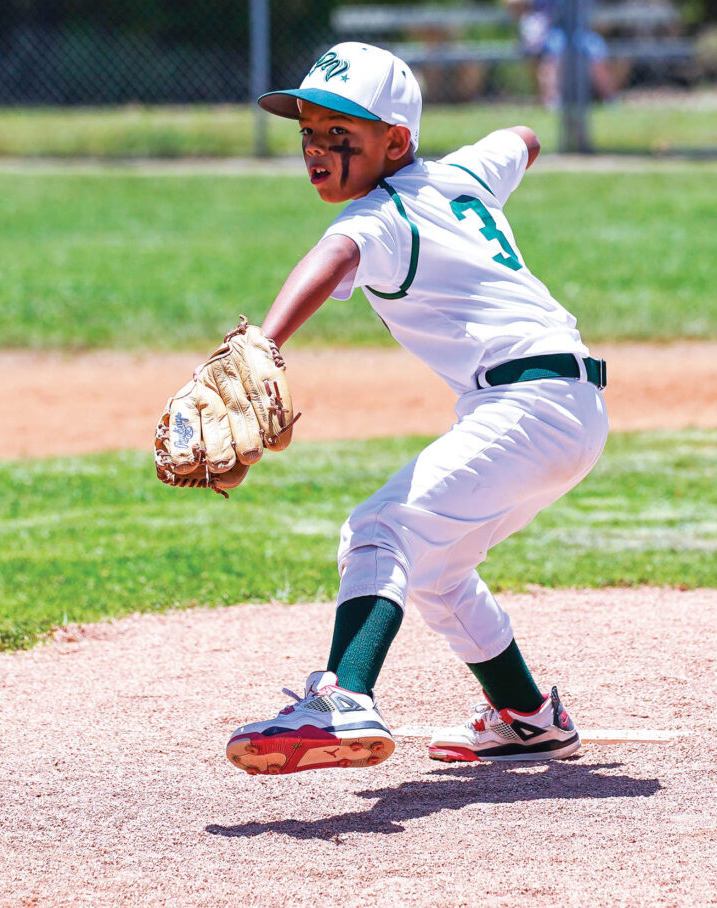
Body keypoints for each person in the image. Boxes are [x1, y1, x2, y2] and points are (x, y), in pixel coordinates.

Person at [225, 42, 609, 776]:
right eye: (309, 131)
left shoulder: (379, 216)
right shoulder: (460, 175)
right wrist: (513, 153)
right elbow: (522, 140)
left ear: (395, 142)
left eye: (343, 136)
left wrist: (265, 342)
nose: (318, 149)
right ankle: (528, 716)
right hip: (569, 406)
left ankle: (342, 696)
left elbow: (335, 256)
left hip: (527, 404)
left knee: (380, 528)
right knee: (437, 571)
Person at [507, 0, 616, 108]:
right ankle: (551, 100)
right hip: (552, 31)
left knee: (595, 50)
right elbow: (513, 4)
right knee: (554, 54)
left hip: (579, 31)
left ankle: (609, 98)